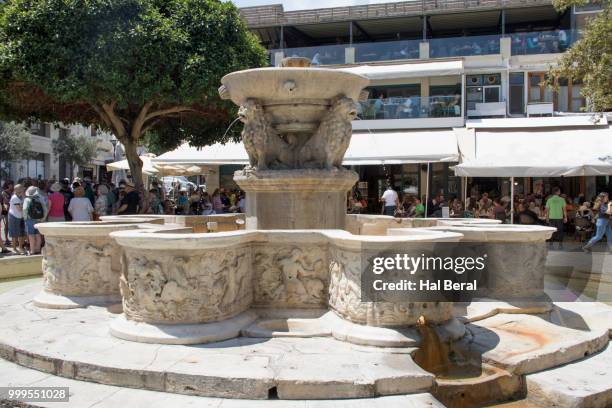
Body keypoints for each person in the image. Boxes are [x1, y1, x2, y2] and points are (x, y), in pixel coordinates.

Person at [23, 186, 48, 255]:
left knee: (31, 235)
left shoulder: (27, 199)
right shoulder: (39, 198)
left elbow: (25, 209)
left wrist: (25, 218)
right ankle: (38, 249)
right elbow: (45, 208)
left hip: (30, 219)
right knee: (37, 234)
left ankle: (32, 250)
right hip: (39, 218)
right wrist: (43, 218)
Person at [8, 184, 26, 254]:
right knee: (14, 234)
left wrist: (23, 204)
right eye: (22, 189)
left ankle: (20, 247)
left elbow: (22, 206)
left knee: (21, 233)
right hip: (14, 216)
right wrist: (24, 205)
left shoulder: (21, 196)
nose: (23, 190)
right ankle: (15, 248)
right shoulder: (15, 197)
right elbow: (19, 209)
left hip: (20, 216)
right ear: (19, 190)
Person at [1, 181, 13, 247]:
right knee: (7, 225)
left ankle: (10, 239)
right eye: (11, 184)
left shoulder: (12, 192)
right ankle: (6, 239)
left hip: (12, 209)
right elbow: (6, 201)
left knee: (10, 225)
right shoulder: (4, 192)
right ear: (8, 185)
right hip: (6, 210)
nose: (12, 186)